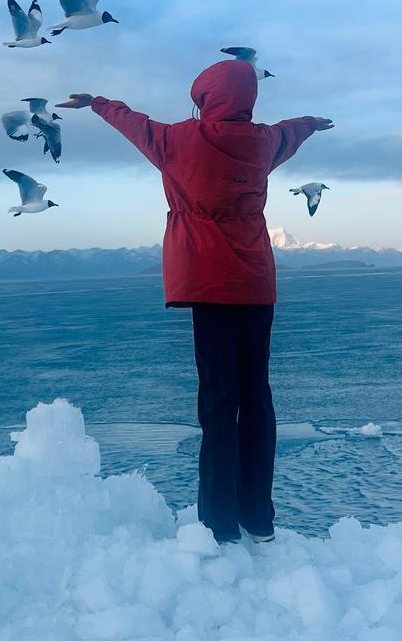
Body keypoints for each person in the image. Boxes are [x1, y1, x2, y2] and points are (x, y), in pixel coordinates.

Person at [58, 60, 332, 543]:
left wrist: (96, 102)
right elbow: (290, 133)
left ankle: (219, 522)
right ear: (247, 98)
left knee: (218, 401)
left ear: (205, 97)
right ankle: (259, 518)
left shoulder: (177, 141)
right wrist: (311, 123)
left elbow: (132, 123)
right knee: (257, 397)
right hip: (254, 283)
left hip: (208, 284)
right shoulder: (263, 141)